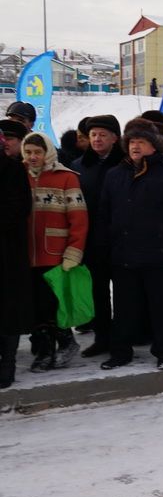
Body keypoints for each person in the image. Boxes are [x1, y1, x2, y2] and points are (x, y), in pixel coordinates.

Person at [98, 119, 163, 370]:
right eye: (131, 142)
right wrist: (105, 245)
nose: (135, 146)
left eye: (141, 141)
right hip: (123, 254)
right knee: (124, 308)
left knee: (162, 309)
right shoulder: (115, 174)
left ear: (154, 146)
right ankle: (120, 352)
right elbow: (104, 215)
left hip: (159, 254)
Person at [22, 131, 88, 372]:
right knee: (36, 305)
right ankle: (45, 350)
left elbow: (79, 219)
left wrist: (74, 250)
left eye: (37, 152)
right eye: (28, 152)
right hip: (28, 254)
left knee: (53, 304)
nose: (32, 157)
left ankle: (66, 343)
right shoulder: (19, 175)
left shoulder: (66, 178)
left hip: (55, 253)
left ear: (47, 152)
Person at [70, 114, 124, 357]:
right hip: (92, 241)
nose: (97, 139)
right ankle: (102, 338)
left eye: (103, 134)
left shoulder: (126, 163)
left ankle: (123, 341)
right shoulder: (79, 166)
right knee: (98, 293)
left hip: (122, 240)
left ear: (115, 138)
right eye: (93, 135)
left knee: (124, 295)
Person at [0, 131, 32, 387]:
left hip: (8, 251)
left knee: (8, 308)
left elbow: (20, 206)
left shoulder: (13, 169)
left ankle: (7, 362)